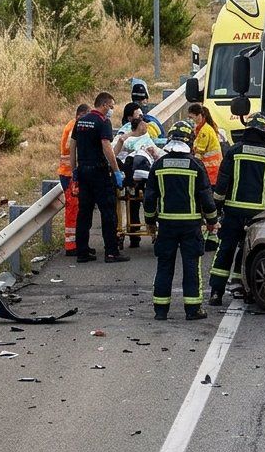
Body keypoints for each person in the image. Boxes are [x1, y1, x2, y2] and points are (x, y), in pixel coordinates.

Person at [208, 114, 265, 305]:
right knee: (248, 251)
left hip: (233, 211)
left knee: (225, 249)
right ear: (264, 132)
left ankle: (216, 293)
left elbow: (222, 184)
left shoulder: (234, 151)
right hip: (257, 214)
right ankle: (243, 288)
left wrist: (216, 209)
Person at [143, 122, 218, 320]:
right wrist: (212, 220)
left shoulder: (159, 165)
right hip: (191, 226)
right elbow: (206, 197)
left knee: (164, 266)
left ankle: (161, 311)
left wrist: (150, 221)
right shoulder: (196, 165)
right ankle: (193, 310)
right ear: (189, 141)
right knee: (191, 267)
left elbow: (149, 198)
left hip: (166, 225)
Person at [70, 92, 129, 263]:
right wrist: (116, 170)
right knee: (108, 212)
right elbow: (106, 146)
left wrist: (74, 171)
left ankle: (82, 252)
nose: (111, 110)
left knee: (84, 213)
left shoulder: (81, 121)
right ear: (103, 105)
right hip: (99, 172)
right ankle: (111, 252)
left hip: (83, 171)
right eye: (111, 106)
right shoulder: (103, 122)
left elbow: (72, 146)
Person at [114, 102, 163, 247]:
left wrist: (155, 154)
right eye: (138, 115)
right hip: (131, 173)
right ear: (130, 118)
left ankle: (152, 228)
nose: (142, 117)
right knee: (133, 203)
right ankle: (134, 236)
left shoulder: (145, 131)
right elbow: (116, 149)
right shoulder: (125, 133)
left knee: (148, 200)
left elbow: (154, 147)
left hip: (144, 172)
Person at [188, 103, 225, 252]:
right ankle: (211, 237)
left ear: (199, 116)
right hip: (210, 173)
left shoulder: (204, 131)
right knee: (210, 207)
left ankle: (209, 237)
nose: (191, 120)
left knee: (206, 207)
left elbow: (198, 156)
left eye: (192, 117)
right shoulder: (203, 128)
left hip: (210, 174)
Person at [58, 104, 89, 257]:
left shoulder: (73, 125)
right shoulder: (74, 128)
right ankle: (71, 245)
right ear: (80, 115)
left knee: (76, 209)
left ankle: (77, 243)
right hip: (70, 174)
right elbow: (74, 150)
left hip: (70, 173)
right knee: (73, 209)